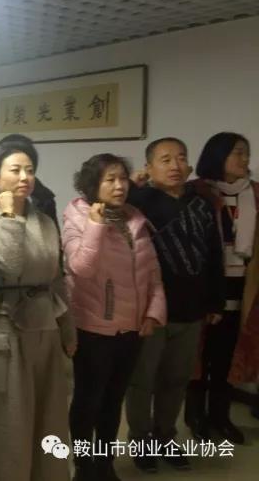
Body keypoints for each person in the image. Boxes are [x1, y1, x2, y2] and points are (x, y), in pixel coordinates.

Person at [0, 138, 75, 481]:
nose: (24, 177)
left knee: (49, 415)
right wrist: (9, 216)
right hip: (4, 327)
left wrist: (67, 327)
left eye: (29, 170)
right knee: (7, 420)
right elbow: (7, 265)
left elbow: (56, 278)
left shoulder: (44, 221)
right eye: (15, 170)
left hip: (45, 325)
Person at [124, 137, 225, 473]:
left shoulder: (201, 203)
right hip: (149, 311)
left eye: (181, 158)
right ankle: (141, 441)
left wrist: (215, 300)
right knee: (142, 380)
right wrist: (131, 186)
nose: (175, 166)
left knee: (176, 379)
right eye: (165, 160)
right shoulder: (137, 203)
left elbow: (214, 254)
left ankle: (166, 436)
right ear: (149, 167)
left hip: (192, 308)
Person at [63, 154, 166, 481]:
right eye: (110, 179)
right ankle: (84, 466)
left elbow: (153, 273)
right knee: (87, 401)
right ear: (92, 185)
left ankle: (105, 464)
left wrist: (153, 312)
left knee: (113, 400)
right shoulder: (76, 217)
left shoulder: (135, 218)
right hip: (93, 326)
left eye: (122, 178)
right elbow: (80, 268)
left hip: (132, 327)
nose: (119, 186)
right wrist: (95, 225)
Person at [188, 132, 259, 445]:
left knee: (227, 355)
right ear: (218, 156)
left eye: (246, 153)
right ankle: (195, 416)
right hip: (206, 285)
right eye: (237, 153)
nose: (245, 159)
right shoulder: (197, 192)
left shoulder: (255, 193)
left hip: (245, 286)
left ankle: (220, 416)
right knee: (198, 356)